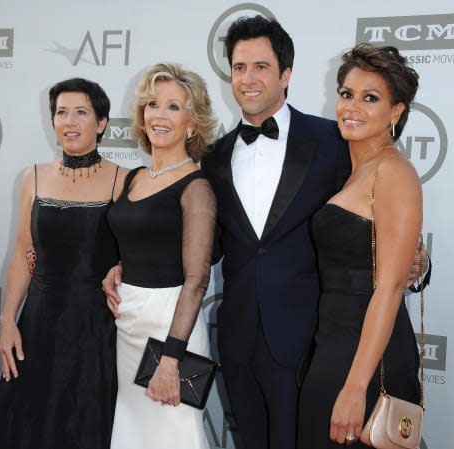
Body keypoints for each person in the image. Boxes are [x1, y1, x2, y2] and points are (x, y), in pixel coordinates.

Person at [104, 16, 429, 449]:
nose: (248, 79)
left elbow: (374, 218)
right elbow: (205, 247)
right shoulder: (214, 158)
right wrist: (130, 264)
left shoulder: (335, 140)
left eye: (261, 66)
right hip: (239, 341)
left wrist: (419, 260)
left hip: (312, 344)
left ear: (286, 74)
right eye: (239, 67)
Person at [0, 78, 126, 449]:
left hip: (96, 332)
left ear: (102, 122)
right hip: (39, 325)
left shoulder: (123, 181)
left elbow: (136, 252)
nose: (70, 121)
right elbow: (21, 253)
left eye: (81, 112)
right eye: (62, 112)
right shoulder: (33, 177)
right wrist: (8, 321)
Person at [297, 43, 423, 448]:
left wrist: (355, 387)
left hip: (368, 359)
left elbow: (388, 287)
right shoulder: (357, 171)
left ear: (396, 112)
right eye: (347, 94)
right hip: (333, 346)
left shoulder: (394, 171)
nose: (351, 106)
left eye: (370, 98)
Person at [105, 63, 218, 449]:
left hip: (172, 328)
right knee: (132, 429)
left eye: (173, 106)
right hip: (129, 323)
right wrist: (117, 269)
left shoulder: (196, 187)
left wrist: (171, 359)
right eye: (153, 104)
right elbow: (139, 240)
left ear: (193, 122)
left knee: (173, 433)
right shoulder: (134, 177)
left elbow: (197, 278)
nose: (159, 115)